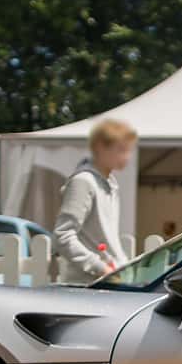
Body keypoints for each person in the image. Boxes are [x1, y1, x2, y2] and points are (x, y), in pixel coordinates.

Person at [55, 117, 138, 283]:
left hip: (107, 281)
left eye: (129, 150)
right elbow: (63, 236)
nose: (127, 156)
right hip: (86, 286)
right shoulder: (83, 181)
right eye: (122, 149)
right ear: (100, 147)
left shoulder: (111, 183)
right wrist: (101, 268)